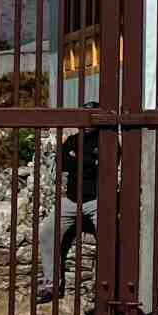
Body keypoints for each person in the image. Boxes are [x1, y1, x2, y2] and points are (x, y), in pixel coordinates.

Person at [36, 105, 104, 304]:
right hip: (72, 200)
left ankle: (106, 287)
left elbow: (106, 164)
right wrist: (90, 160)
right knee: (48, 230)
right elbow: (63, 162)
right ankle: (51, 285)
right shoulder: (72, 140)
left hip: (98, 201)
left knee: (110, 238)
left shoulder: (106, 140)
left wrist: (78, 159)